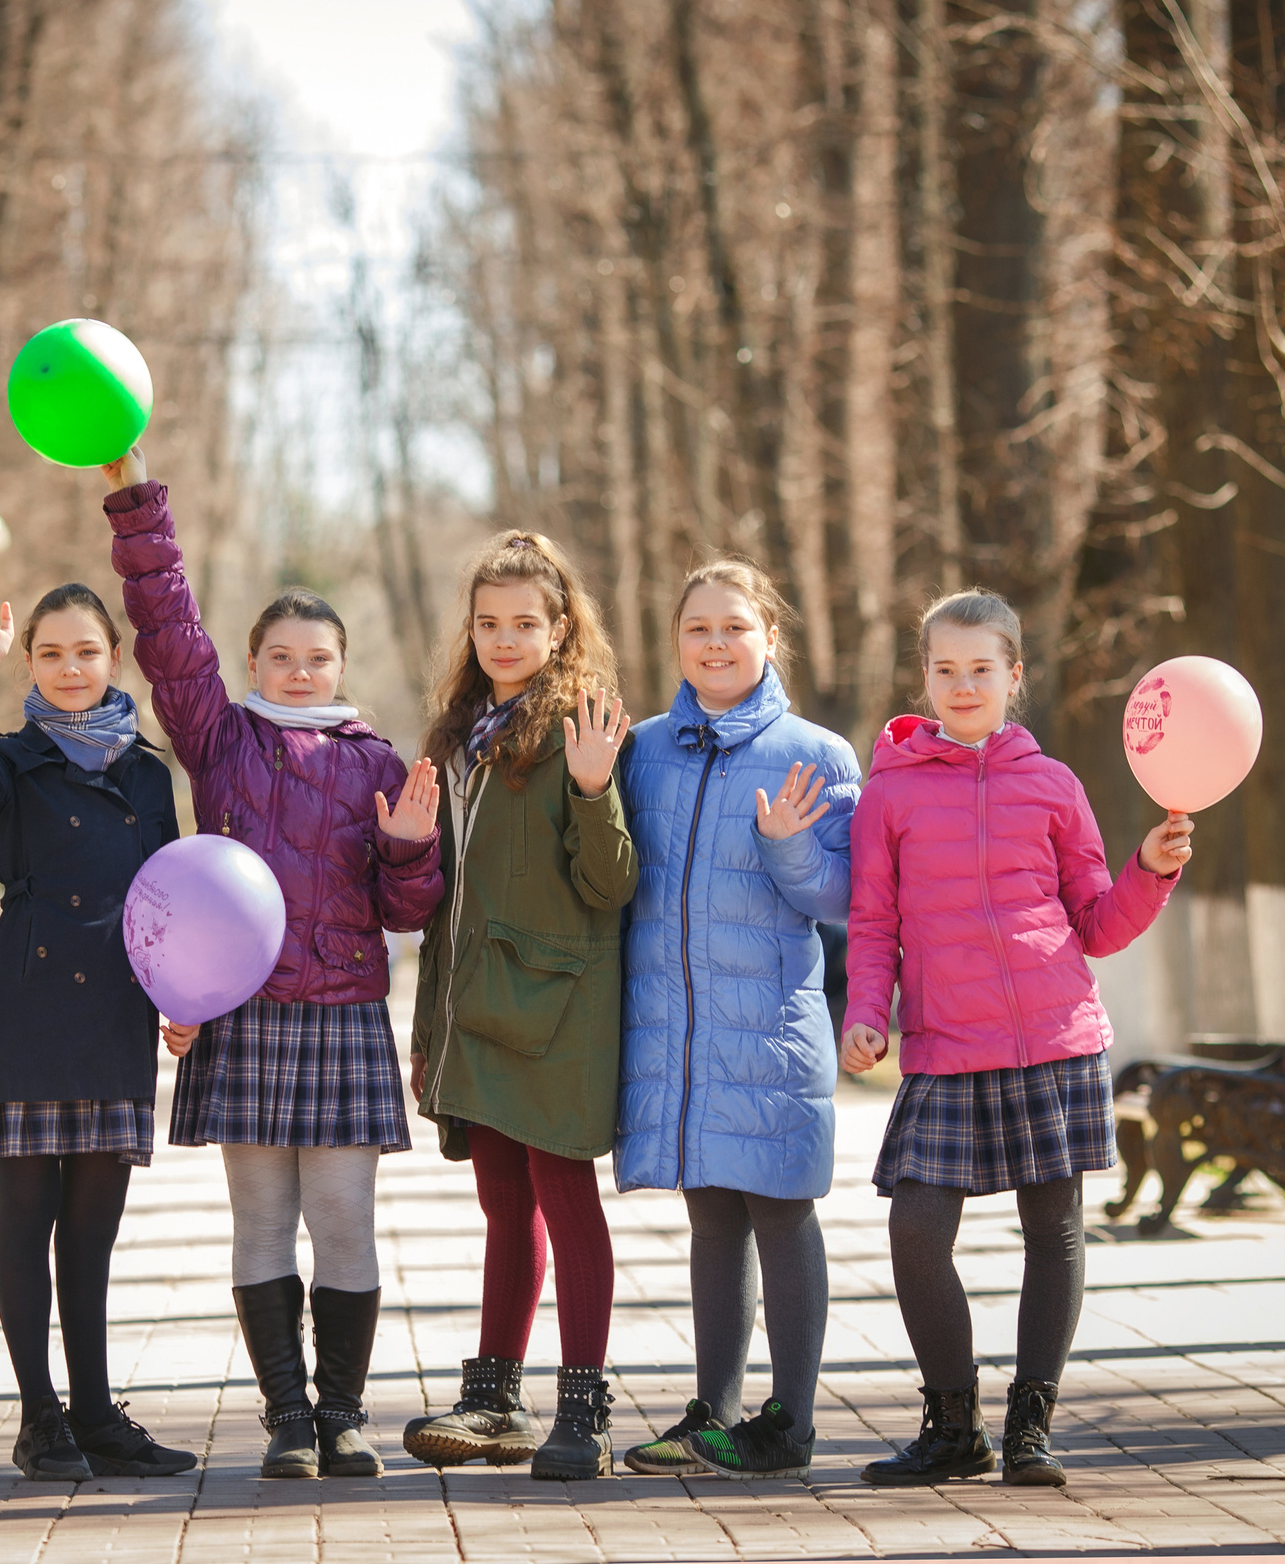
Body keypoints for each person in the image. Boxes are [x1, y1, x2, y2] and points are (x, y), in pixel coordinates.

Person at [103, 447, 444, 1479]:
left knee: (341, 1218)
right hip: (244, 1011)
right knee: (261, 1221)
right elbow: (167, 631)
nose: (301, 671)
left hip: (342, 1011)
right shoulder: (222, 741)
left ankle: (343, 1417)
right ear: (254, 665)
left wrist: (411, 850)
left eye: (319, 657)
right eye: (282, 656)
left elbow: (405, 911)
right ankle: (286, 1419)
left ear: (343, 667)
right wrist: (136, 498)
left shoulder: (378, 763)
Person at [842, 589, 1192, 1488]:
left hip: (1054, 1037)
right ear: (924, 677)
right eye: (945, 669)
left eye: (981, 669)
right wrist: (864, 1012)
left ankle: (1032, 1424)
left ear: (1014, 677)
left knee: (1056, 1230)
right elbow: (874, 920)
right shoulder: (889, 792)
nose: (963, 685)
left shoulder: (1054, 784)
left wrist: (1147, 871)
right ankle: (953, 1424)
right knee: (916, 1231)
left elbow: (1098, 923)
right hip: (946, 1045)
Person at [0, 568, 198, 1481]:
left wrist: (184, 996)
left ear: (114, 657)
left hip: (119, 1008)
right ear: (30, 663)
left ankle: (94, 1413)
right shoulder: (11, 755)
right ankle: (39, 1415)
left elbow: (170, 895)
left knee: (93, 1227)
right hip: (36, 1004)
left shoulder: (148, 771)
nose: (71, 667)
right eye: (50, 653)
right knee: (27, 1213)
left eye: (87, 650)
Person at [613, 560, 859, 1480]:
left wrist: (791, 849)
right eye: (698, 629)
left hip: (769, 1030)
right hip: (674, 1033)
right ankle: (712, 1415)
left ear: (769, 639)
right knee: (711, 1217)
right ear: (676, 642)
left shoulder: (818, 754)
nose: (716, 644)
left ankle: (789, 1423)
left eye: (735, 627)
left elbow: (843, 896)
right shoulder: (638, 749)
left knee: (782, 1211)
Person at [404, 530, 637, 1481]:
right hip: (476, 1004)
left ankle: (582, 1409)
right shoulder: (460, 735)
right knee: (504, 1203)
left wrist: (591, 788)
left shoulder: (582, 723)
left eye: (525, 623)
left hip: (557, 1009)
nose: (504, 638)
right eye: (488, 621)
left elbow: (613, 882)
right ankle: (495, 1398)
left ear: (560, 626)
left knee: (565, 1199)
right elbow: (446, 893)